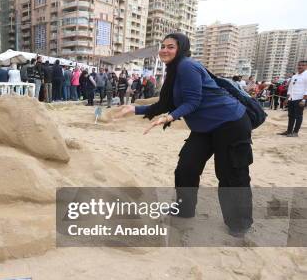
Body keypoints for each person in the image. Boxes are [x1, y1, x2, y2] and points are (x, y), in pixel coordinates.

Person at [116, 32, 253, 237]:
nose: (165, 50)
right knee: (186, 167)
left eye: (171, 46)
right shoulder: (174, 71)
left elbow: (192, 101)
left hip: (230, 123)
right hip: (204, 128)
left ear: (182, 48)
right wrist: (135, 109)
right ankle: (184, 208)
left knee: (231, 173)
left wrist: (170, 117)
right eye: (163, 46)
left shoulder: (187, 66)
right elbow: (166, 103)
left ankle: (239, 223)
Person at [279, 60, 306, 137]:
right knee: (291, 115)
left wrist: (304, 100)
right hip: (291, 98)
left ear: (306, 66)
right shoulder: (295, 76)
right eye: (299, 65)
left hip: (300, 98)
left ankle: (295, 132)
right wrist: (287, 99)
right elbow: (290, 88)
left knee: (298, 115)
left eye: (303, 65)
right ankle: (289, 131)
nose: (300, 66)